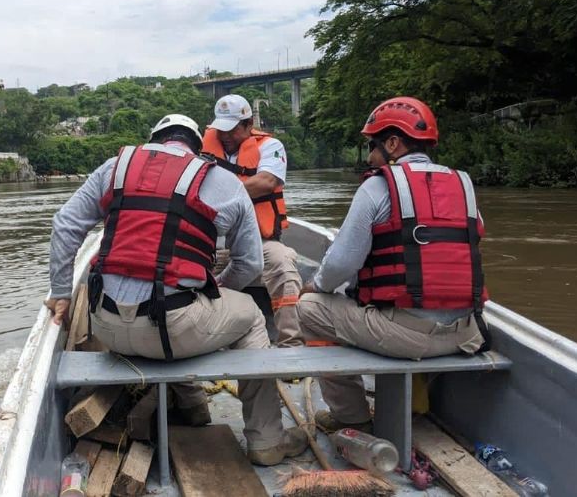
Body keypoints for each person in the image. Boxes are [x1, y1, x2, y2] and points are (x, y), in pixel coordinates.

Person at [45, 114, 307, 466]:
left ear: (153, 140)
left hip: (106, 326)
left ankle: (193, 405)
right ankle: (266, 440)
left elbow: (64, 225)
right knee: (249, 316)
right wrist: (213, 294)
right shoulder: (224, 182)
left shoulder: (115, 167)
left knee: (180, 311)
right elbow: (250, 266)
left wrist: (62, 292)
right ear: (198, 148)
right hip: (173, 331)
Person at [297, 97, 490, 433]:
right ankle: (419, 406)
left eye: (372, 146)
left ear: (393, 143)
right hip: (467, 333)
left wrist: (317, 285)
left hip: (406, 338)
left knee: (310, 307)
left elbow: (341, 264)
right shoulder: (463, 185)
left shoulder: (378, 186)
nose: (370, 157)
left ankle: (350, 415)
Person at [200, 94, 304, 348]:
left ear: (248, 125)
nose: (224, 136)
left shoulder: (270, 147)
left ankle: (291, 345)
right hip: (211, 244)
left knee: (283, 265)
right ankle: (200, 342)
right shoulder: (201, 148)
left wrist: (217, 195)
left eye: (232, 129)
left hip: (260, 241)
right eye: (220, 129)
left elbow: (266, 182)